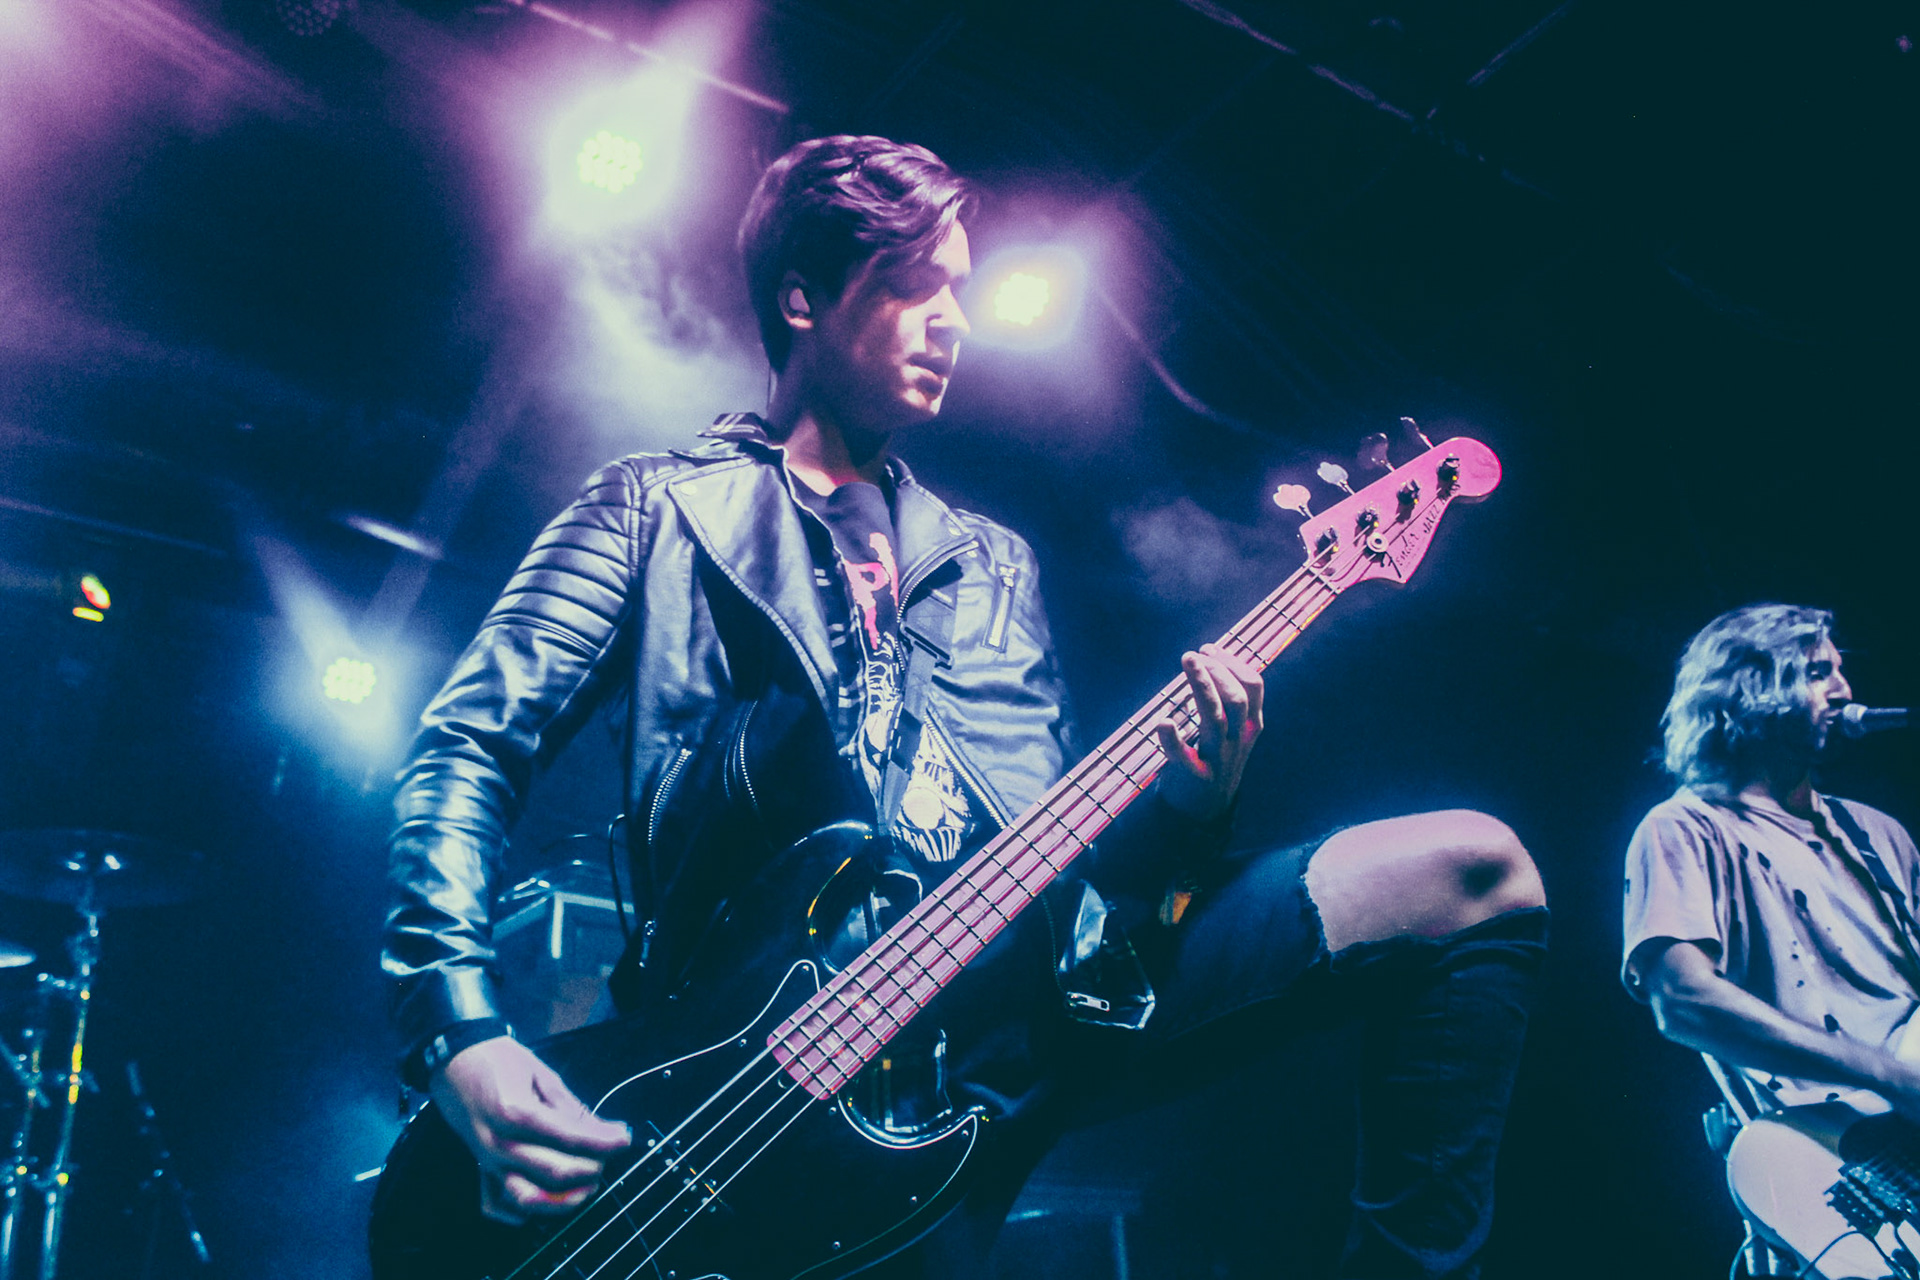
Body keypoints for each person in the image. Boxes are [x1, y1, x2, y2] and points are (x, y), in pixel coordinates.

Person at [381, 134, 1549, 1279]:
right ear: (802, 296)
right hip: (763, 1067)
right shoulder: (657, 508)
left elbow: (1066, 866)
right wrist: (457, 1025)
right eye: (913, 285)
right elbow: (469, 743)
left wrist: (1193, 802)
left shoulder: (991, 562)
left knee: (1473, 871)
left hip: (1017, 1007)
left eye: (960, 290)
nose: (953, 320)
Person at [1623, 604, 1920, 1121]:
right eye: (1817, 673)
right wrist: (1886, 1074)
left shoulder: (1878, 834)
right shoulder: (1684, 827)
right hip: (1825, 1142)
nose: (1844, 691)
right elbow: (1682, 998)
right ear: (1746, 690)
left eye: (1840, 671)